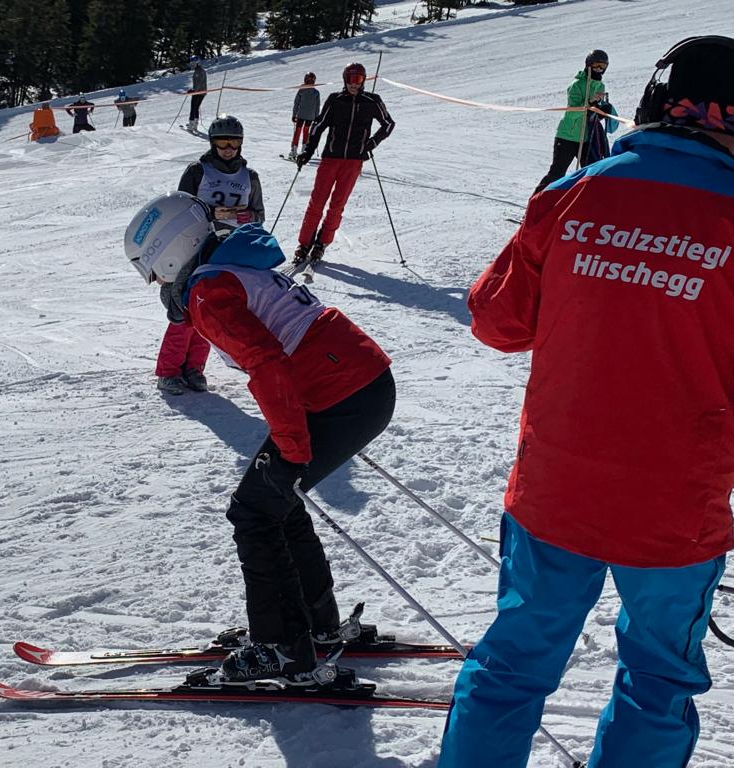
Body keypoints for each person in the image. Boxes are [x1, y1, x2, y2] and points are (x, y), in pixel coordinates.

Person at [438, 36, 734, 768]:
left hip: (555, 489)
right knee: (658, 681)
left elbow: (497, 322)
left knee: (511, 666)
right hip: (674, 509)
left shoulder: (574, 192)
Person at [124, 192, 395, 681]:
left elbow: (266, 362)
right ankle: (314, 627)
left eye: (153, 272)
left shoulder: (207, 292)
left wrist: (291, 449)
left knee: (254, 512)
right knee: (275, 504)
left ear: (169, 254)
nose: (157, 284)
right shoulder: (228, 267)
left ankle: (282, 647)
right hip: (355, 384)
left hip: (342, 393)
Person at [153, 115, 265, 396]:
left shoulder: (250, 177)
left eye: (233, 143)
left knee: (209, 310)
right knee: (183, 307)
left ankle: (194, 368)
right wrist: (211, 213)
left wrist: (247, 217)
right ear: (213, 143)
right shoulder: (197, 171)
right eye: (222, 143)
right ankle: (168, 371)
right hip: (194, 248)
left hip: (228, 249)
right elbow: (178, 208)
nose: (228, 149)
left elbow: (259, 216)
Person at [294, 62, 395, 264]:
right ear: (344, 79)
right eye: (350, 79)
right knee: (317, 202)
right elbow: (318, 126)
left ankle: (322, 242)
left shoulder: (372, 101)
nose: (354, 84)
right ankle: (305, 243)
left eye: (358, 79)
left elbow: (388, 124)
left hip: (353, 161)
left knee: (337, 204)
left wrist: (371, 144)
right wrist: (308, 151)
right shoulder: (335, 100)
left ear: (363, 80)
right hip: (331, 158)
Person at [533, 50, 617, 194]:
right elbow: (572, 113)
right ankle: (537, 201)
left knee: (592, 173)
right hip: (568, 136)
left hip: (586, 138)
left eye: (602, 66)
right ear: (588, 65)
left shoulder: (600, 86)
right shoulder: (577, 85)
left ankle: (586, 204)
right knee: (557, 173)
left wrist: (602, 111)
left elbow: (593, 114)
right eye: (596, 65)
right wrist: (589, 104)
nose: (599, 69)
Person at [290, 72, 320, 160]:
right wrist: (316, 117)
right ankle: (303, 151)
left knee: (297, 132)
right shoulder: (316, 92)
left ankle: (294, 151)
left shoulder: (301, 90)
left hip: (301, 115)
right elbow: (317, 106)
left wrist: (294, 114)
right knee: (306, 132)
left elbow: (296, 103)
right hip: (310, 116)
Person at [187, 56, 208, 132]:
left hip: (198, 92)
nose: (192, 65)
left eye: (193, 63)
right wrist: (193, 90)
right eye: (191, 63)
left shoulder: (198, 71)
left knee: (193, 108)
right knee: (196, 108)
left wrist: (194, 91)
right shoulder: (199, 70)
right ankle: (195, 124)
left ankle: (191, 126)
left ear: (197, 63)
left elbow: (198, 83)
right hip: (202, 92)